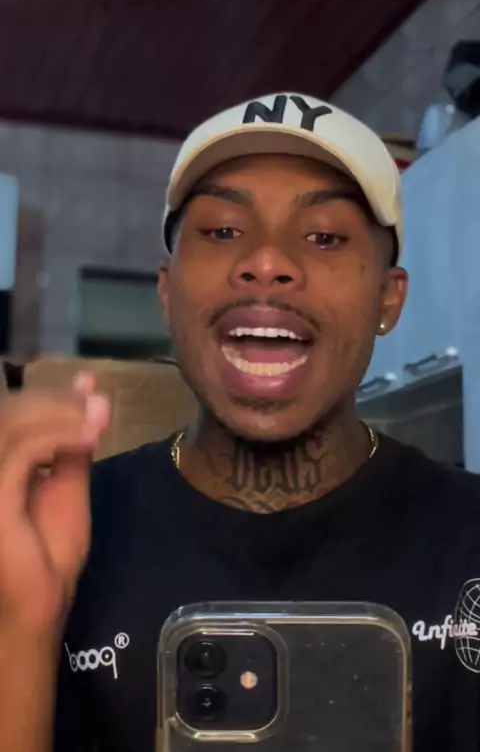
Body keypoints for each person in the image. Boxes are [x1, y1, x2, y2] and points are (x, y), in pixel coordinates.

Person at [1, 93, 479, 752]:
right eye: (224, 230)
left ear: (388, 299)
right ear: (167, 293)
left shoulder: (468, 534)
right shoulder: (47, 534)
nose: (267, 262)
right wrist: (22, 627)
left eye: (324, 236)